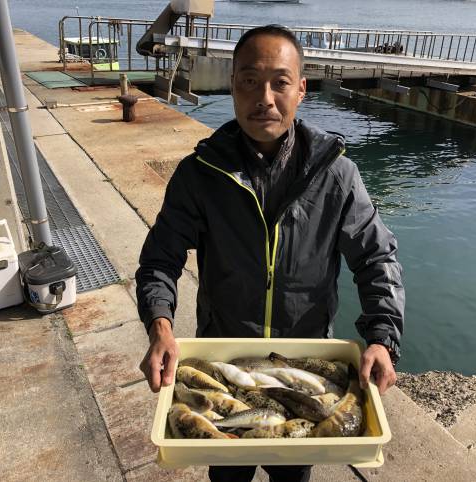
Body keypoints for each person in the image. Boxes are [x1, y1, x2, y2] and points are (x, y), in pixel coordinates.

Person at [136, 24, 405, 482]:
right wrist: (160, 326)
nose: (264, 98)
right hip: (225, 357)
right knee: (227, 471)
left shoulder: (338, 176)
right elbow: (160, 259)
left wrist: (382, 338)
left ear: (301, 89)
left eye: (280, 82)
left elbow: (376, 259)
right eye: (249, 81)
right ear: (232, 86)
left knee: (293, 475)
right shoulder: (198, 175)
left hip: (304, 358)